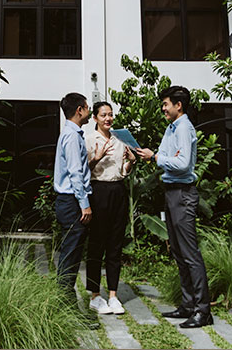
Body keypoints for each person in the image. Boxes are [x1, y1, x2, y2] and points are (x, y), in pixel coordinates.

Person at [136, 86, 213, 328]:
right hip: (171, 194)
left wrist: (156, 158)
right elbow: (164, 156)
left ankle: (203, 311)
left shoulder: (183, 128)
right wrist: (147, 156)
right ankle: (188, 305)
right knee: (179, 253)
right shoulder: (172, 128)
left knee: (190, 254)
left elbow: (181, 162)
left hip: (182, 194)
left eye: (166, 104)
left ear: (178, 105)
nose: (163, 108)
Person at [85, 101, 135, 315]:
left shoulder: (119, 140)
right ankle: (95, 295)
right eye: (103, 115)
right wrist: (96, 159)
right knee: (96, 244)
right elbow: (84, 171)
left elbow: (122, 171)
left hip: (118, 190)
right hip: (98, 191)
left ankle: (113, 295)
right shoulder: (89, 139)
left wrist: (131, 162)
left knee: (115, 245)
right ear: (95, 118)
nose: (108, 118)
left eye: (111, 115)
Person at [53, 92, 93, 298]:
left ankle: (65, 299)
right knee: (70, 254)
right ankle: (65, 302)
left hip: (70, 201)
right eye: (87, 107)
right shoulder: (70, 136)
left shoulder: (72, 134)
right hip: (71, 202)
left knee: (73, 253)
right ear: (80, 110)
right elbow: (75, 173)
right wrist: (84, 204)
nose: (89, 111)